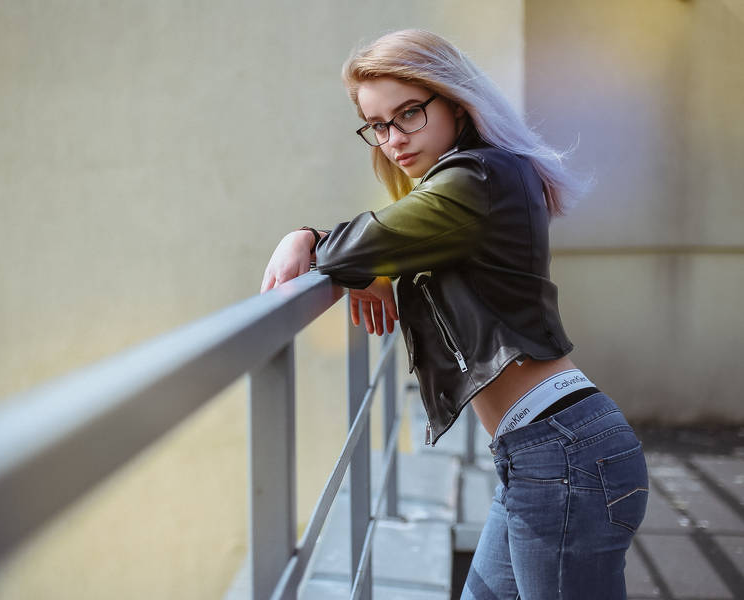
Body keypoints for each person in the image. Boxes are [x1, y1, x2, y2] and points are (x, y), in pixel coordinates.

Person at [260, 29, 648, 599]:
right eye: (378, 125)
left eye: (409, 113)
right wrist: (372, 271)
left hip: (561, 453)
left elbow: (364, 242)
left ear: (454, 98)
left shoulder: (477, 179)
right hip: (539, 453)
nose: (393, 138)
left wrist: (311, 239)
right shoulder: (479, 180)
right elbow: (391, 250)